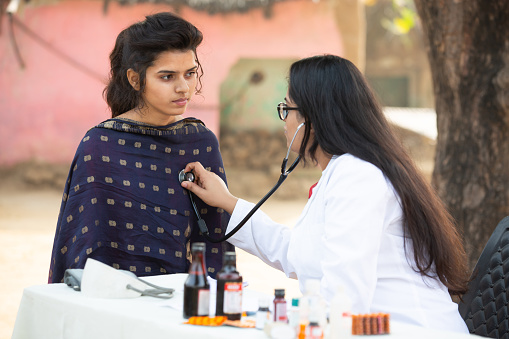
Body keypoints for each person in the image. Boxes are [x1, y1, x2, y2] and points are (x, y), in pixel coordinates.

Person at [181, 55, 470, 332]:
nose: (284, 119)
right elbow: (295, 252)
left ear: (313, 120)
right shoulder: (344, 173)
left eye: (287, 108)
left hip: (410, 331)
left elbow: (345, 301)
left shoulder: (359, 177)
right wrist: (228, 202)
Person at [48, 12, 233, 284]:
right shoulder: (100, 146)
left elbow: (214, 237)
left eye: (190, 73)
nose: (184, 88)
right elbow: (82, 241)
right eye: (167, 76)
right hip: (112, 298)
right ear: (135, 79)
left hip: (182, 298)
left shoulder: (200, 142)